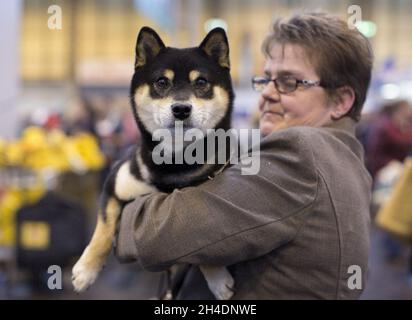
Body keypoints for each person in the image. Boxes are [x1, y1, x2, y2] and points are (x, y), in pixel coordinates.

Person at [114, 12, 373, 299]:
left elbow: (155, 236)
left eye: (289, 82)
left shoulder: (301, 151)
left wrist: (119, 207)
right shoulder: (349, 159)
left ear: (340, 100)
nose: (267, 95)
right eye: (266, 79)